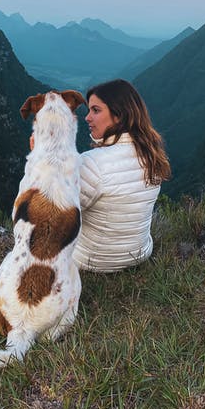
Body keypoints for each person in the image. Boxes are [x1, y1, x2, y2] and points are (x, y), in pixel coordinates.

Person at [72, 79, 170, 272]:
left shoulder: (92, 162)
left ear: (119, 115)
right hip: (139, 254)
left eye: (96, 110)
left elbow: (60, 214)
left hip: (91, 261)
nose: (87, 118)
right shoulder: (152, 156)